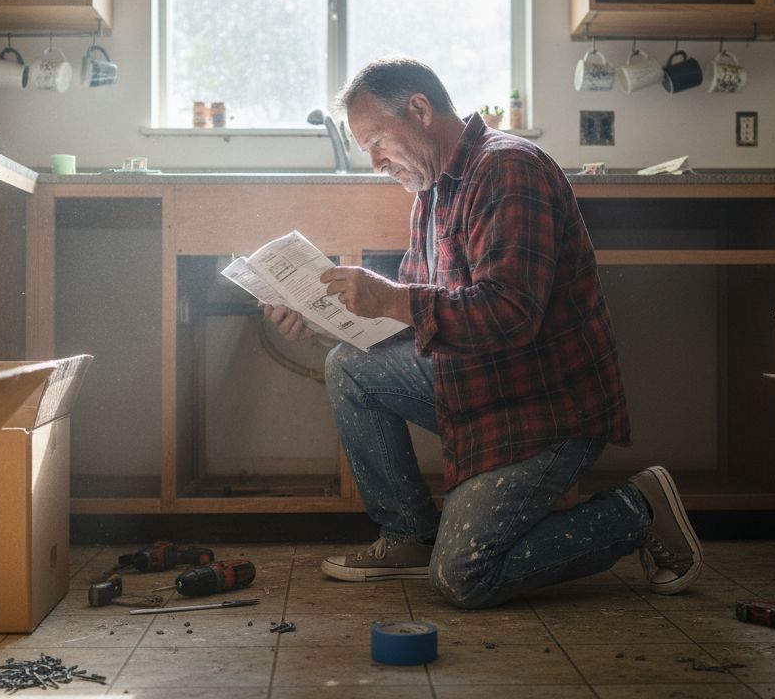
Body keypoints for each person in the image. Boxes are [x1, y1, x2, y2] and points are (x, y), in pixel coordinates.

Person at [264, 57, 702, 608]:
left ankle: (638, 508)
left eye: (377, 140)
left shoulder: (508, 169)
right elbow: (412, 326)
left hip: (543, 412)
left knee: (463, 577)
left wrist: (391, 297)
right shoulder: (430, 192)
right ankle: (410, 536)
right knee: (349, 366)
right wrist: (320, 325)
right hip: (482, 390)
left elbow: (509, 313)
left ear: (420, 110)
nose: (374, 162)